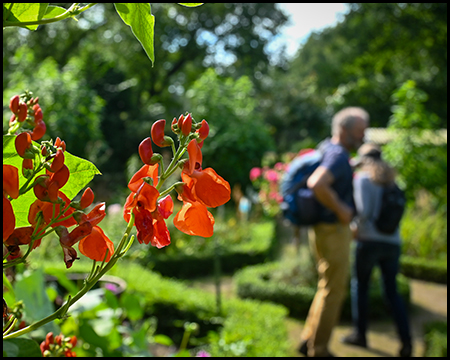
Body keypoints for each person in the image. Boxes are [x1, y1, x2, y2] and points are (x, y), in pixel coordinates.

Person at [298, 107, 369, 357]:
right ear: (344, 129)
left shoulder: (327, 148)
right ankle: (319, 349)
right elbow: (316, 183)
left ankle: (307, 338)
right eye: (360, 131)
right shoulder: (338, 155)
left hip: (320, 228)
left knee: (325, 285)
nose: (363, 136)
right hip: (332, 230)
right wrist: (342, 210)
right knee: (334, 290)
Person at [341, 143, 412, 357]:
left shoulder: (364, 178)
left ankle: (360, 334)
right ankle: (406, 341)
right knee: (392, 292)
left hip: (368, 241)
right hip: (392, 243)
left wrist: (353, 229)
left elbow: (363, 212)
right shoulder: (393, 179)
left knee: (360, 287)